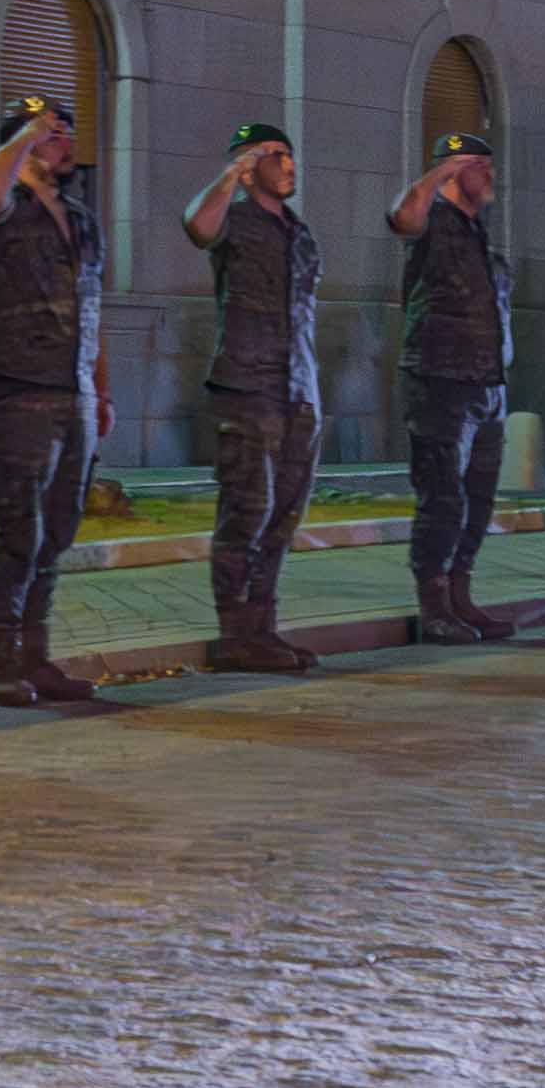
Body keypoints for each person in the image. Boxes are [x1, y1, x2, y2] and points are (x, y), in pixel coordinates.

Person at [0, 92, 110, 706]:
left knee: (57, 531)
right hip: (16, 388)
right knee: (17, 530)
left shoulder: (81, 218)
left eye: (68, 133)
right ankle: (1, 662)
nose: (66, 142)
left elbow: (93, 311)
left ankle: (36, 655)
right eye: (53, 134)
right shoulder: (0, 203)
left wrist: (99, 389)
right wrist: (26, 136)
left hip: (72, 391)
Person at [183, 122, 322, 675]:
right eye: (276, 156)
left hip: (298, 390)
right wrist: (230, 175)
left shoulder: (301, 233)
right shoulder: (232, 219)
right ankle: (236, 634)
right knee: (247, 511)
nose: (289, 166)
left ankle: (263, 629)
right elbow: (196, 227)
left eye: (291, 156)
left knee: (284, 516)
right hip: (247, 386)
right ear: (249, 164)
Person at [386, 129, 518, 644]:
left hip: (487, 384)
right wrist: (443, 170)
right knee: (442, 498)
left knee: (477, 500)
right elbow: (402, 216)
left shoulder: (476, 230)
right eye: (482, 166)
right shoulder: (430, 221)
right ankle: (435, 605)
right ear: (456, 168)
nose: (492, 176)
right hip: (440, 382)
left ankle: (461, 597)